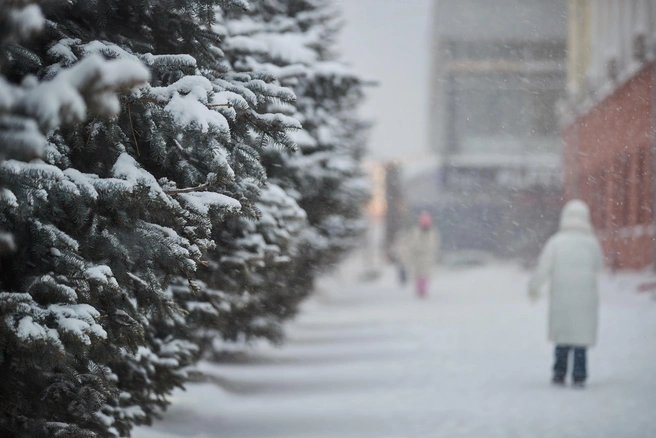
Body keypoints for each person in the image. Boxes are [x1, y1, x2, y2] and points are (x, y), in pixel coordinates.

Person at [528, 200, 604, 387]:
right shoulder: (591, 243)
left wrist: (533, 288)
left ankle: (559, 372)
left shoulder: (556, 242)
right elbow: (599, 266)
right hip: (585, 299)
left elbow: (543, 268)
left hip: (562, 298)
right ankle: (579, 374)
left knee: (562, 337)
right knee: (580, 338)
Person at [403, 212, 440, 298]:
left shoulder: (432, 233)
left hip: (427, 257)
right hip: (417, 257)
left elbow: (433, 244)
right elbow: (412, 243)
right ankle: (419, 290)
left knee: (425, 274)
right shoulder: (416, 232)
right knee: (418, 274)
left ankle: (424, 290)